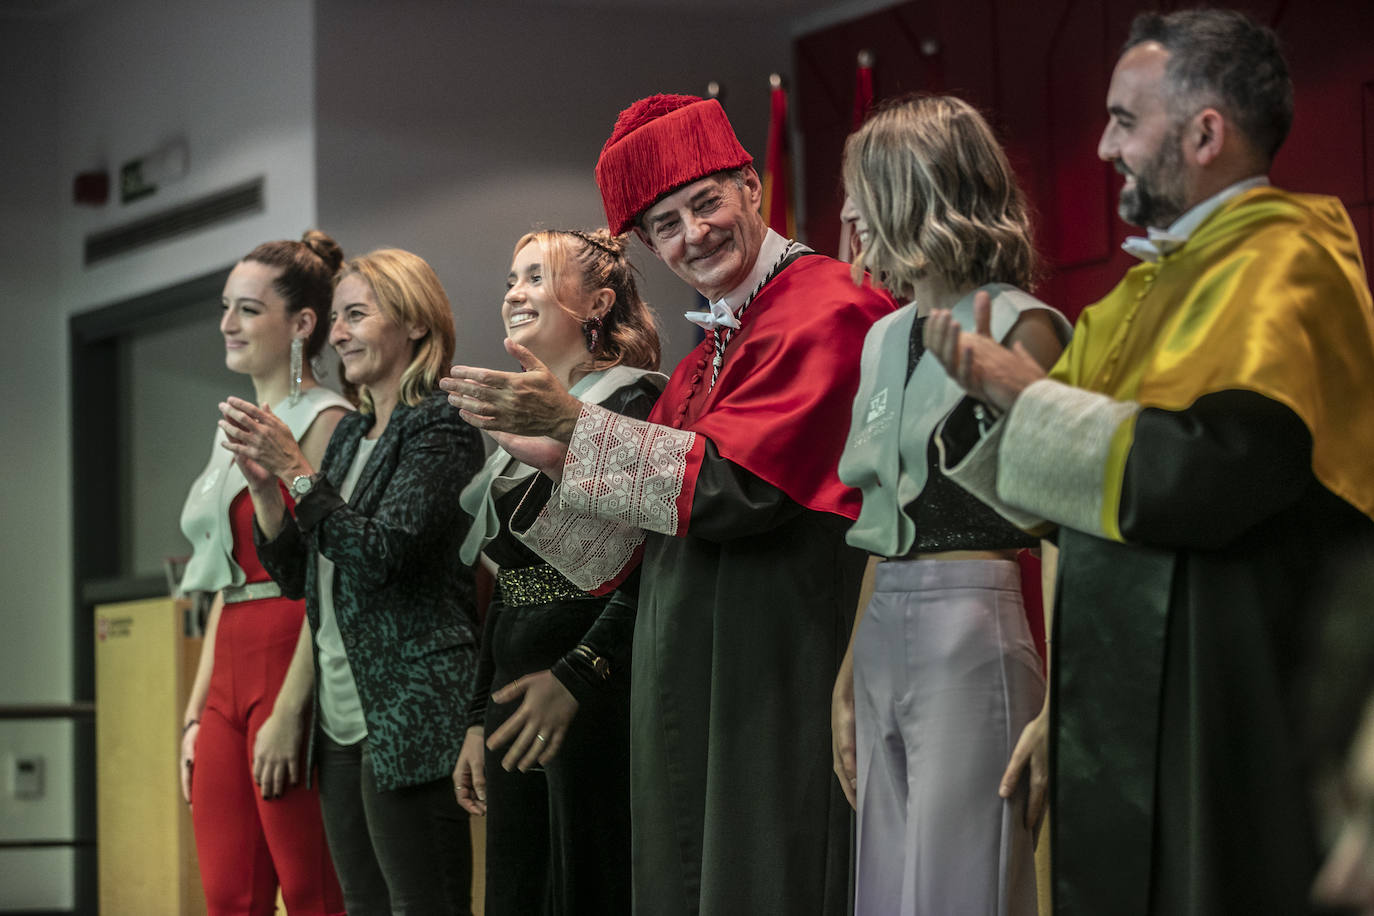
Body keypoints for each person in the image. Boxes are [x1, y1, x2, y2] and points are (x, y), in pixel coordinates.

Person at [921, 9, 1374, 914]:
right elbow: (1066, 492)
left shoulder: (1289, 260)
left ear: (1206, 132)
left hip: (1234, 701)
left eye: (1126, 120)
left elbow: (1217, 478)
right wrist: (995, 407)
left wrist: (1030, 396)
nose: (1101, 145)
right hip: (1121, 693)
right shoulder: (1140, 288)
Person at [443, 94, 897, 916]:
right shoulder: (702, 358)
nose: (695, 235)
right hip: (695, 683)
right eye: (666, 224)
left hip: (776, 671)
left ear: (752, 187)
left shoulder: (826, 309)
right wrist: (557, 452)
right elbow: (643, 540)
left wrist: (575, 429)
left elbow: (737, 490)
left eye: (707, 203)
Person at [832, 95, 1070, 916]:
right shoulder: (881, 337)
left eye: (860, 187)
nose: (846, 211)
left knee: (962, 889)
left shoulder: (1023, 325)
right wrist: (845, 676)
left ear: (913, 189)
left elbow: (1068, 525)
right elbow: (882, 521)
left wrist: (1065, 693)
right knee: (885, 890)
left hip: (975, 629)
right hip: (881, 633)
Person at [221, 248, 484, 915]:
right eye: (335, 318)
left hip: (408, 708)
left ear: (415, 324)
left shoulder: (442, 427)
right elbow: (297, 577)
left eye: (356, 315)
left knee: (423, 905)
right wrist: (270, 496)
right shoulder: (353, 434)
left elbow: (382, 554)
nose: (336, 333)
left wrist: (299, 475)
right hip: (340, 715)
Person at [451, 228, 665, 915]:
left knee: (590, 888)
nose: (516, 292)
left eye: (537, 278)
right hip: (518, 687)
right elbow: (509, 587)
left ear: (598, 303)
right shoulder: (516, 418)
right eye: (512, 279)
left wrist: (583, 671)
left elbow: (653, 565)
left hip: (594, 687)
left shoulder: (632, 403)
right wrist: (480, 716)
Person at [177, 231, 349, 916]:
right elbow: (225, 580)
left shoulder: (330, 422)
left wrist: (291, 706)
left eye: (247, 310)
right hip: (227, 665)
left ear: (302, 324)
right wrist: (193, 713)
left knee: (311, 891)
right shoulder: (231, 425)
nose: (226, 325)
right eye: (227, 307)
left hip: (291, 651)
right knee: (228, 895)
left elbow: (327, 575)